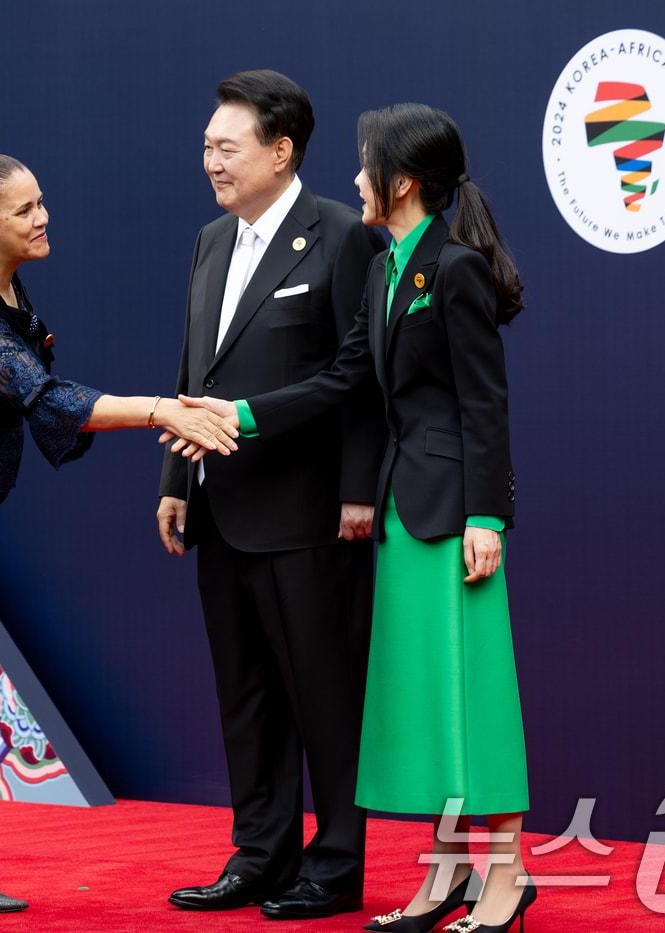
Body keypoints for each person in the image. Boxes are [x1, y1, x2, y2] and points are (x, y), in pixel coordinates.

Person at [176, 102, 534, 933]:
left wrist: (489, 514)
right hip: (405, 520)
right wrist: (247, 419)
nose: (353, 178)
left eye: (366, 165)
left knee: (471, 697)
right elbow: (350, 384)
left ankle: (508, 878)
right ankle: (447, 876)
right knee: (424, 702)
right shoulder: (385, 269)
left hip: (457, 518)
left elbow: (486, 406)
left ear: (401, 182)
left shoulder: (455, 269)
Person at [0, 140, 241, 914]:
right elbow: (47, 398)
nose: (44, 217)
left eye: (42, 200)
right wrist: (164, 407)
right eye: (26, 210)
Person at [156, 70, 386, 920]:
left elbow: (361, 378)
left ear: (281, 150)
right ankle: (260, 854)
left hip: (312, 510)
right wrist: (179, 476)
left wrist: (358, 492)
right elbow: (195, 369)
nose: (211, 160)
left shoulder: (338, 235)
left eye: (228, 146)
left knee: (323, 694)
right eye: (208, 146)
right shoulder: (211, 240)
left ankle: (336, 864)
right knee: (244, 693)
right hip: (221, 507)